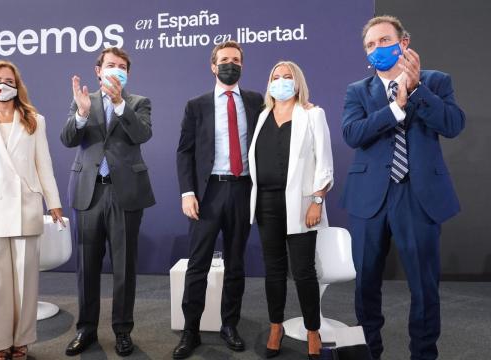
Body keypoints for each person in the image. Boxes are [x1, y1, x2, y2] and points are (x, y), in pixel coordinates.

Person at [341, 15, 465, 360]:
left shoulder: (436, 81)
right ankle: (369, 351)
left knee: (424, 287)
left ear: (403, 43)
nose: (377, 48)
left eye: (384, 41)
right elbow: (353, 134)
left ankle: (424, 354)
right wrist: (396, 107)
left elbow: (453, 125)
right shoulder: (357, 91)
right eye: (370, 45)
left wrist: (416, 90)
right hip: (369, 198)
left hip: (418, 194)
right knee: (365, 283)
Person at [0, 60, 64, 360]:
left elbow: (43, 165)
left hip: (25, 208)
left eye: (9, 80)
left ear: (17, 86)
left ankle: (21, 343)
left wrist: (54, 203)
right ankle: (0, 345)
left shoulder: (34, 120)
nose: (3, 85)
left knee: (25, 282)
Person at [61, 47, 155, 357]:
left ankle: (123, 331)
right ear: (98, 70)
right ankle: (86, 329)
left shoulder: (138, 102)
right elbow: (68, 139)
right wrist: (82, 113)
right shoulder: (83, 100)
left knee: (124, 267)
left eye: (122, 66)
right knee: (87, 266)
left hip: (125, 192)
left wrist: (118, 104)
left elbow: (142, 135)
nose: (116, 70)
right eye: (110, 65)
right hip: (89, 192)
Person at [174, 41, 264, 359]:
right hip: (208, 194)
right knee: (197, 265)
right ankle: (190, 331)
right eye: (224, 60)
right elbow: (184, 152)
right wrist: (188, 193)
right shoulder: (196, 105)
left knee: (236, 264)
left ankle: (230, 325)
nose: (230, 64)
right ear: (213, 66)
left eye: (236, 60)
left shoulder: (256, 102)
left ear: (242, 65)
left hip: (242, 190)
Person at [249, 61, 333, 359]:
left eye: (287, 77)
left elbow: (324, 163)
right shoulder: (262, 117)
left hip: (301, 205)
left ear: (298, 82)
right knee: (273, 270)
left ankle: (313, 330)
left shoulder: (312, 114)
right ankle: (276, 326)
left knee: (303, 271)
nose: (281, 81)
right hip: (266, 204)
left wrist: (317, 201)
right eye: (276, 77)